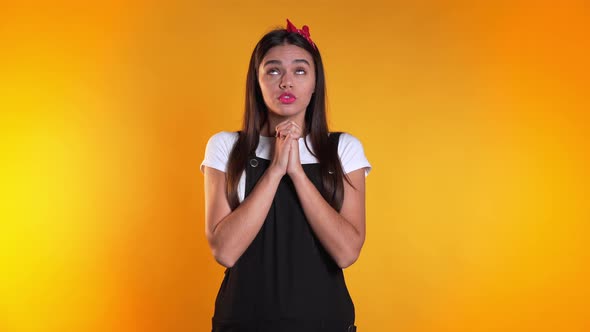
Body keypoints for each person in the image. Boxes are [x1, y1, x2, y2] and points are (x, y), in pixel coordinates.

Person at [200, 19, 371, 332]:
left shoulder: (343, 149)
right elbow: (224, 251)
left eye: (300, 70)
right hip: (241, 321)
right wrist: (276, 169)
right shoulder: (226, 147)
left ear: (316, 82)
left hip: (326, 322)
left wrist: (297, 173)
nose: (287, 82)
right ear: (258, 80)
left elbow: (347, 252)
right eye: (274, 70)